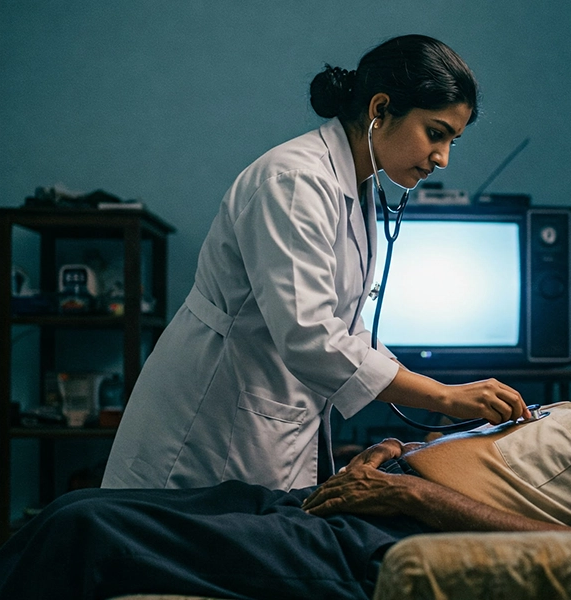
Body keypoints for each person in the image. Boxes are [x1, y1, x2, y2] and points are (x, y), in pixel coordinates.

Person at [0, 263, 571, 600]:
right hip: (359, 505)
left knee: (87, 532)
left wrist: (409, 497)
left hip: (382, 549)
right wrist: (398, 452)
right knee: (69, 511)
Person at [101, 34, 530, 492]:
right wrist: (443, 397)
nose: (442, 158)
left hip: (268, 415)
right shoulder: (294, 182)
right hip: (208, 424)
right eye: (436, 133)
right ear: (379, 110)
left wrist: (432, 389)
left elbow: (345, 327)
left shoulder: (356, 185)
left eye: (452, 141)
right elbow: (310, 335)